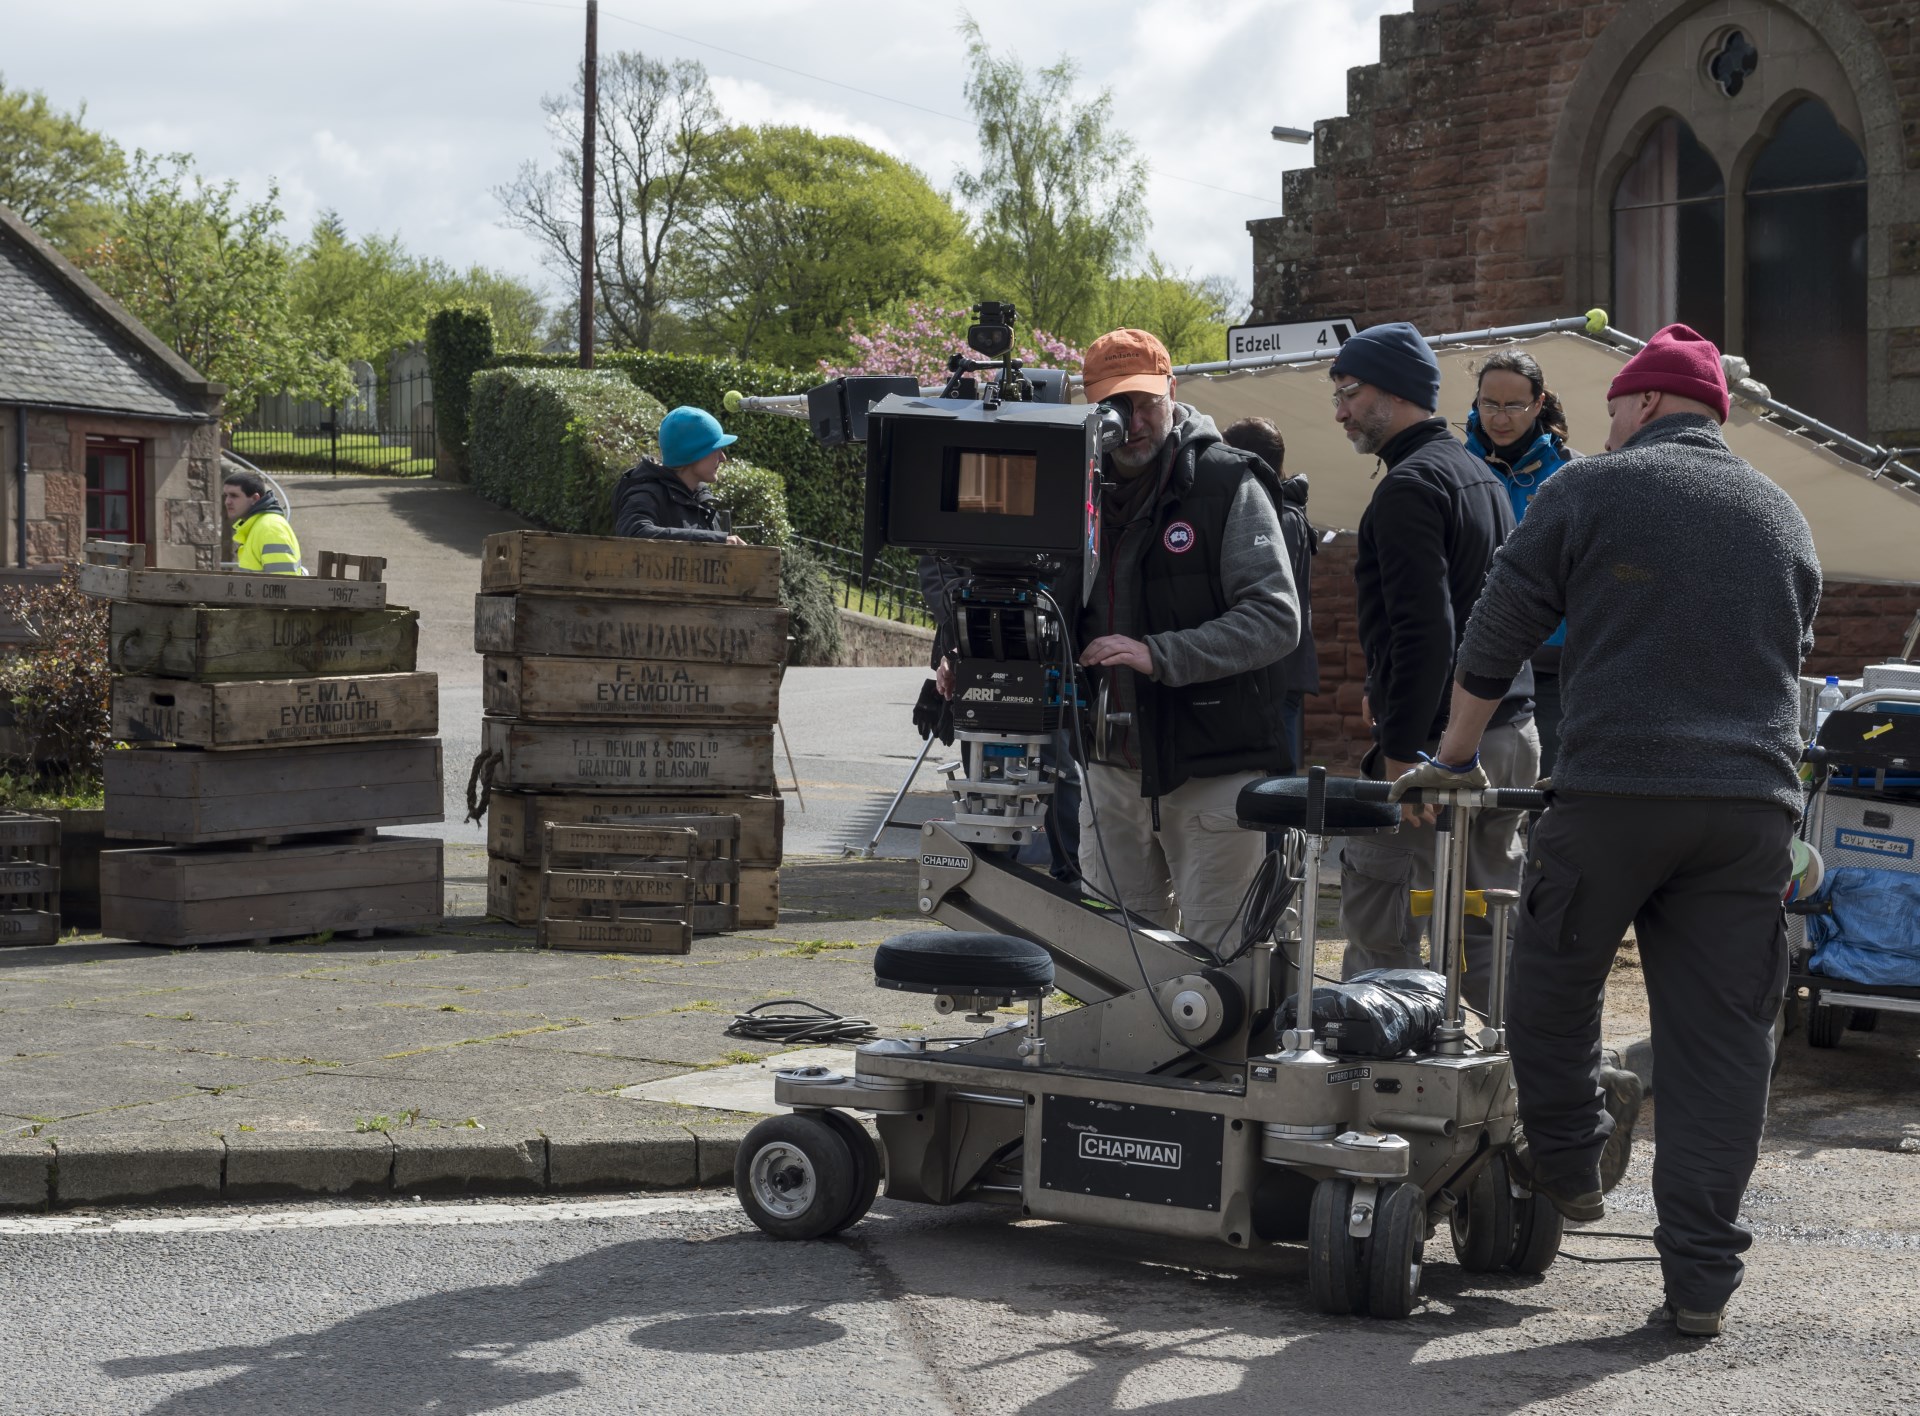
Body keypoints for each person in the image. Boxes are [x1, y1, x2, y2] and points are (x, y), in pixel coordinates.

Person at [1391, 324, 1821, 1338]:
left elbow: (1499, 627)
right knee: (1722, 1053)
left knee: (1549, 978)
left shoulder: (1586, 489)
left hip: (1616, 791)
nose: (1612, 418)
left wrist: (1452, 757)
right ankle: (1700, 1289)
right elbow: (1785, 658)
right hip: (1751, 810)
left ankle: (1574, 1166)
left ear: (1648, 404)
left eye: (1620, 402)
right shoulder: (1784, 514)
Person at [1329, 321, 1539, 1009]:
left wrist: (1399, 749)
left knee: (1385, 919)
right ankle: (1505, 1079)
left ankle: (1389, 1079)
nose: (1339, 410)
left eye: (1350, 392)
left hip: (1440, 749)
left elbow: (1426, 631)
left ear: (1394, 393)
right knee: (1484, 921)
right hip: (1508, 733)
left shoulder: (1409, 487)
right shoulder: (1476, 475)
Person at [1073, 328, 1299, 948]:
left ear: (1173, 391)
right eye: (1116, 406)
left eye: (1146, 401)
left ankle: (1223, 1053)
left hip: (1211, 765)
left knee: (1221, 958)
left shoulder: (1228, 483)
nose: (1135, 421)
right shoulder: (1074, 486)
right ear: (1089, 406)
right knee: (1113, 962)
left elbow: (1277, 618)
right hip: (1109, 765)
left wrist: (1161, 654)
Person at [1464, 349, 1576, 775]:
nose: (1500, 417)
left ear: (1538, 403)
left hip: (1553, 669)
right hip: (1475, 659)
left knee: (1548, 798)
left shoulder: (1571, 474)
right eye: (1489, 403)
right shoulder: (1457, 469)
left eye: (1513, 405)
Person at [1221, 417, 1318, 768]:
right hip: (1276, 662)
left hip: (1280, 663)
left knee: (1278, 766)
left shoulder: (1283, 517)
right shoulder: (1283, 511)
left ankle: (1283, 823)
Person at [611, 406, 747, 544]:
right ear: (692, 453)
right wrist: (716, 540)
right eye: (716, 449)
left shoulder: (701, 501)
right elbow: (634, 533)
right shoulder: (646, 495)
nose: (723, 457)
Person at [222, 471, 301, 574]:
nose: (227, 501)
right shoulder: (257, 526)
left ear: (255, 498)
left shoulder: (270, 528)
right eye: (226, 496)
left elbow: (284, 584)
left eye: (234, 495)